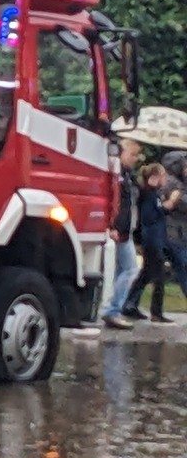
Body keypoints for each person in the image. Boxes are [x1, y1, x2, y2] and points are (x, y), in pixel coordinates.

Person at [124, 162, 178, 324]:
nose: (166, 179)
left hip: (156, 237)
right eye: (163, 176)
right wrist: (169, 204)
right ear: (155, 177)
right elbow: (150, 216)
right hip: (152, 239)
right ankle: (156, 311)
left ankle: (129, 304)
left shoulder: (153, 194)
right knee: (159, 276)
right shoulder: (148, 194)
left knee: (146, 274)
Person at [100, 138, 142, 329]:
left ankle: (112, 308)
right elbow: (115, 201)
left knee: (122, 270)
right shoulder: (117, 175)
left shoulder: (129, 175)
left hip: (126, 229)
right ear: (122, 153)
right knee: (130, 269)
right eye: (132, 154)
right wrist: (113, 225)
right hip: (120, 229)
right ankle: (113, 310)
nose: (135, 159)